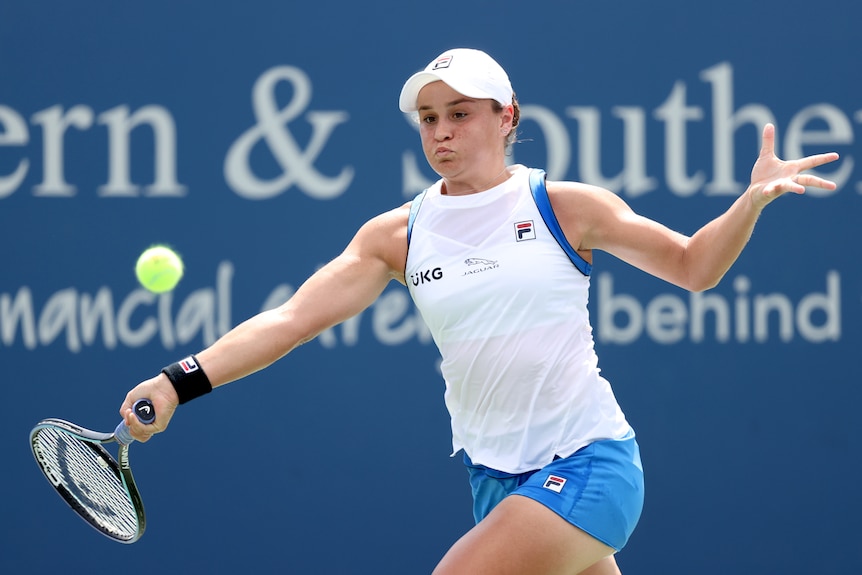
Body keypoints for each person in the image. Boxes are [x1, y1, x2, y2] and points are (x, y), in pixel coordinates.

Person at [120, 48, 839, 574]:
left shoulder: (563, 206)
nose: (441, 132)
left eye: (460, 114)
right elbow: (290, 320)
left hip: (590, 463)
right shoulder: (395, 234)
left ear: (507, 118)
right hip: (494, 478)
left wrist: (749, 203)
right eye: (429, 118)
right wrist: (178, 380)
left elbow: (694, 266)